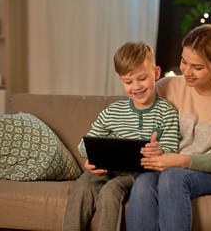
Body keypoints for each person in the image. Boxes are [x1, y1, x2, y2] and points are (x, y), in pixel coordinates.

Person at [126, 24, 211, 231]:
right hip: (172, 168)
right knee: (143, 183)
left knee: (172, 176)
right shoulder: (166, 87)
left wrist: (180, 161)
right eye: (184, 62)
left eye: (197, 67)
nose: (186, 71)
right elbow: (130, 118)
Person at [62, 42, 179, 231]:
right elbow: (85, 144)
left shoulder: (167, 111)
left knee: (110, 190)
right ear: (121, 80)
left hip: (139, 173)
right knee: (82, 186)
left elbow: (172, 150)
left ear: (156, 74)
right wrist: (90, 159)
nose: (136, 87)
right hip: (107, 169)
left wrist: (160, 151)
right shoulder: (113, 111)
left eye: (142, 78)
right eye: (128, 81)